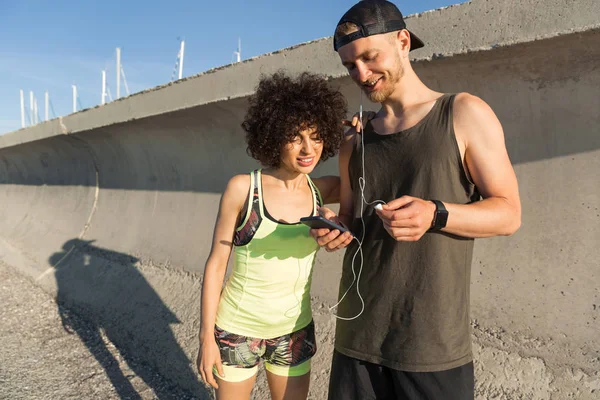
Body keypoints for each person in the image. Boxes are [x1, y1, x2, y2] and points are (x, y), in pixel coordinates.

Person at [312, 1, 522, 399]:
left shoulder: (462, 113)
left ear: (403, 41)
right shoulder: (354, 140)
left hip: (431, 347)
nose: (361, 74)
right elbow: (353, 222)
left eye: (370, 57)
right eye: (349, 66)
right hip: (357, 339)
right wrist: (334, 229)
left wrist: (436, 213)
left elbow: (509, 213)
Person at [196, 71, 347, 400]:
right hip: (237, 330)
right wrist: (206, 338)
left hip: (294, 333)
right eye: (295, 137)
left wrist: (357, 135)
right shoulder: (243, 189)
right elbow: (216, 263)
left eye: (317, 136)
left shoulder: (323, 190)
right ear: (273, 135)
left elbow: (361, 179)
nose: (308, 148)